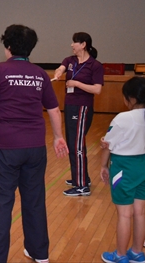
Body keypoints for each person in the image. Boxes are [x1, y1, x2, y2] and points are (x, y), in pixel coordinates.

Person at [0, 25, 69, 263]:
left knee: (2, 201)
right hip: (35, 148)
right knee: (34, 200)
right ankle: (39, 253)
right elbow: (54, 109)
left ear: (9, 46)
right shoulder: (40, 74)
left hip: (6, 149)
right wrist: (58, 137)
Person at [99, 76, 145, 263]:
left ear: (131, 98)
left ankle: (120, 255)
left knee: (124, 214)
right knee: (140, 213)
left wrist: (103, 165)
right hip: (143, 166)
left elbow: (108, 145)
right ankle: (137, 252)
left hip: (123, 168)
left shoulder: (123, 118)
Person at [54, 32, 104, 196]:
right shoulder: (70, 61)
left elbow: (97, 89)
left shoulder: (94, 65)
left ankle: (82, 185)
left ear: (83, 44)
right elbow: (61, 68)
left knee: (77, 144)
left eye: (75, 42)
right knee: (72, 142)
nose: (72, 45)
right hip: (70, 105)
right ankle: (80, 177)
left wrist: (76, 83)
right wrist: (59, 73)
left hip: (83, 107)